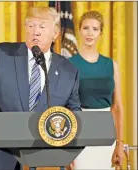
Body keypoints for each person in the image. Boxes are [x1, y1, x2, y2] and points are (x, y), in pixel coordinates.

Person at [0, 7, 81, 170]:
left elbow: (73, 111)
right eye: (30, 25)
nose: (36, 32)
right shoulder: (1, 54)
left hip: (47, 159)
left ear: (55, 33)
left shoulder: (69, 70)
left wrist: (70, 149)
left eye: (42, 26)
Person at [69, 11, 124, 169]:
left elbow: (117, 107)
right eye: (86, 28)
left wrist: (119, 144)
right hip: (78, 132)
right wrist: (65, 149)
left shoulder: (111, 65)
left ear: (101, 33)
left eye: (95, 29)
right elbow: (64, 107)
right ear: (79, 30)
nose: (90, 33)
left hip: (106, 133)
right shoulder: (69, 64)